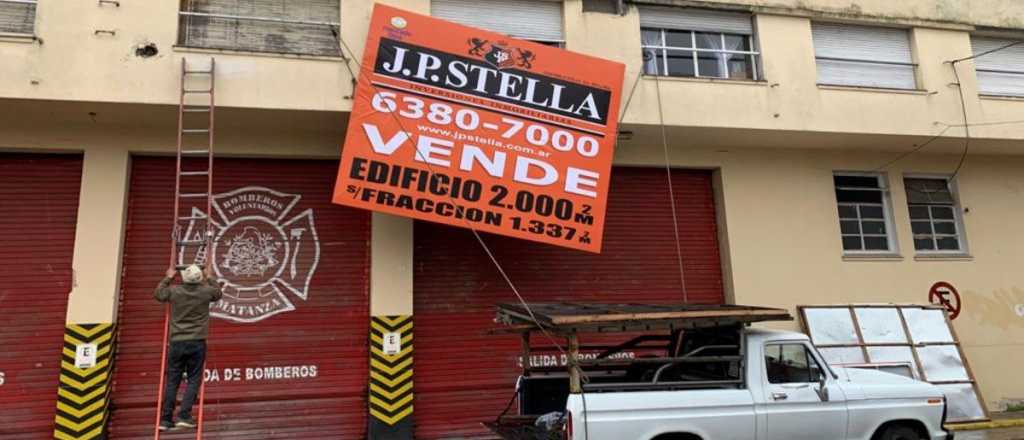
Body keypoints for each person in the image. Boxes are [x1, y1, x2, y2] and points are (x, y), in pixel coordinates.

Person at [154, 263, 222, 431]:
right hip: (197, 342)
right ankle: (184, 415)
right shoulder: (206, 291)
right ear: (199, 278)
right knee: (193, 380)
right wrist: (210, 276)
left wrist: (168, 277)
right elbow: (218, 293)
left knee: (172, 381)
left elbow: (159, 295)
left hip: (176, 342)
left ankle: (166, 419)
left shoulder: (175, 291)